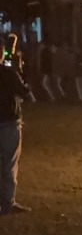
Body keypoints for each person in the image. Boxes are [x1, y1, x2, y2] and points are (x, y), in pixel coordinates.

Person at [0, 36, 32, 216]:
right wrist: (19, 69)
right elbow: (24, 91)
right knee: (9, 163)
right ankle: (7, 202)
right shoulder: (8, 73)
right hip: (8, 122)